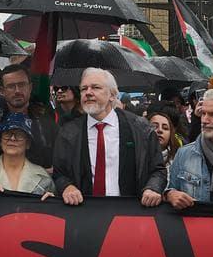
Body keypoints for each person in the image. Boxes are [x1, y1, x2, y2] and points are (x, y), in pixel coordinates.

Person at [51, 68, 165, 207]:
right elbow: (59, 173)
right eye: (83, 89)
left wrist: (152, 188)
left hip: (129, 214)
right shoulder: (68, 132)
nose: (88, 93)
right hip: (83, 214)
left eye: (96, 87)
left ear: (112, 95)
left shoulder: (140, 128)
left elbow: (158, 170)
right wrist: (67, 187)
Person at [0, 67, 58, 169]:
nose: (17, 91)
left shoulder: (47, 123)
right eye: (11, 86)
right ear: (1, 90)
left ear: (30, 87)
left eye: (22, 85)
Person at [0, 113, 53, 197]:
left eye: (19, 135)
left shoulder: (44, 179)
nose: (12, 138)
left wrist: (50, 203)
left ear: (28, 143)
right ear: (0, 141)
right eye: (7, 134)